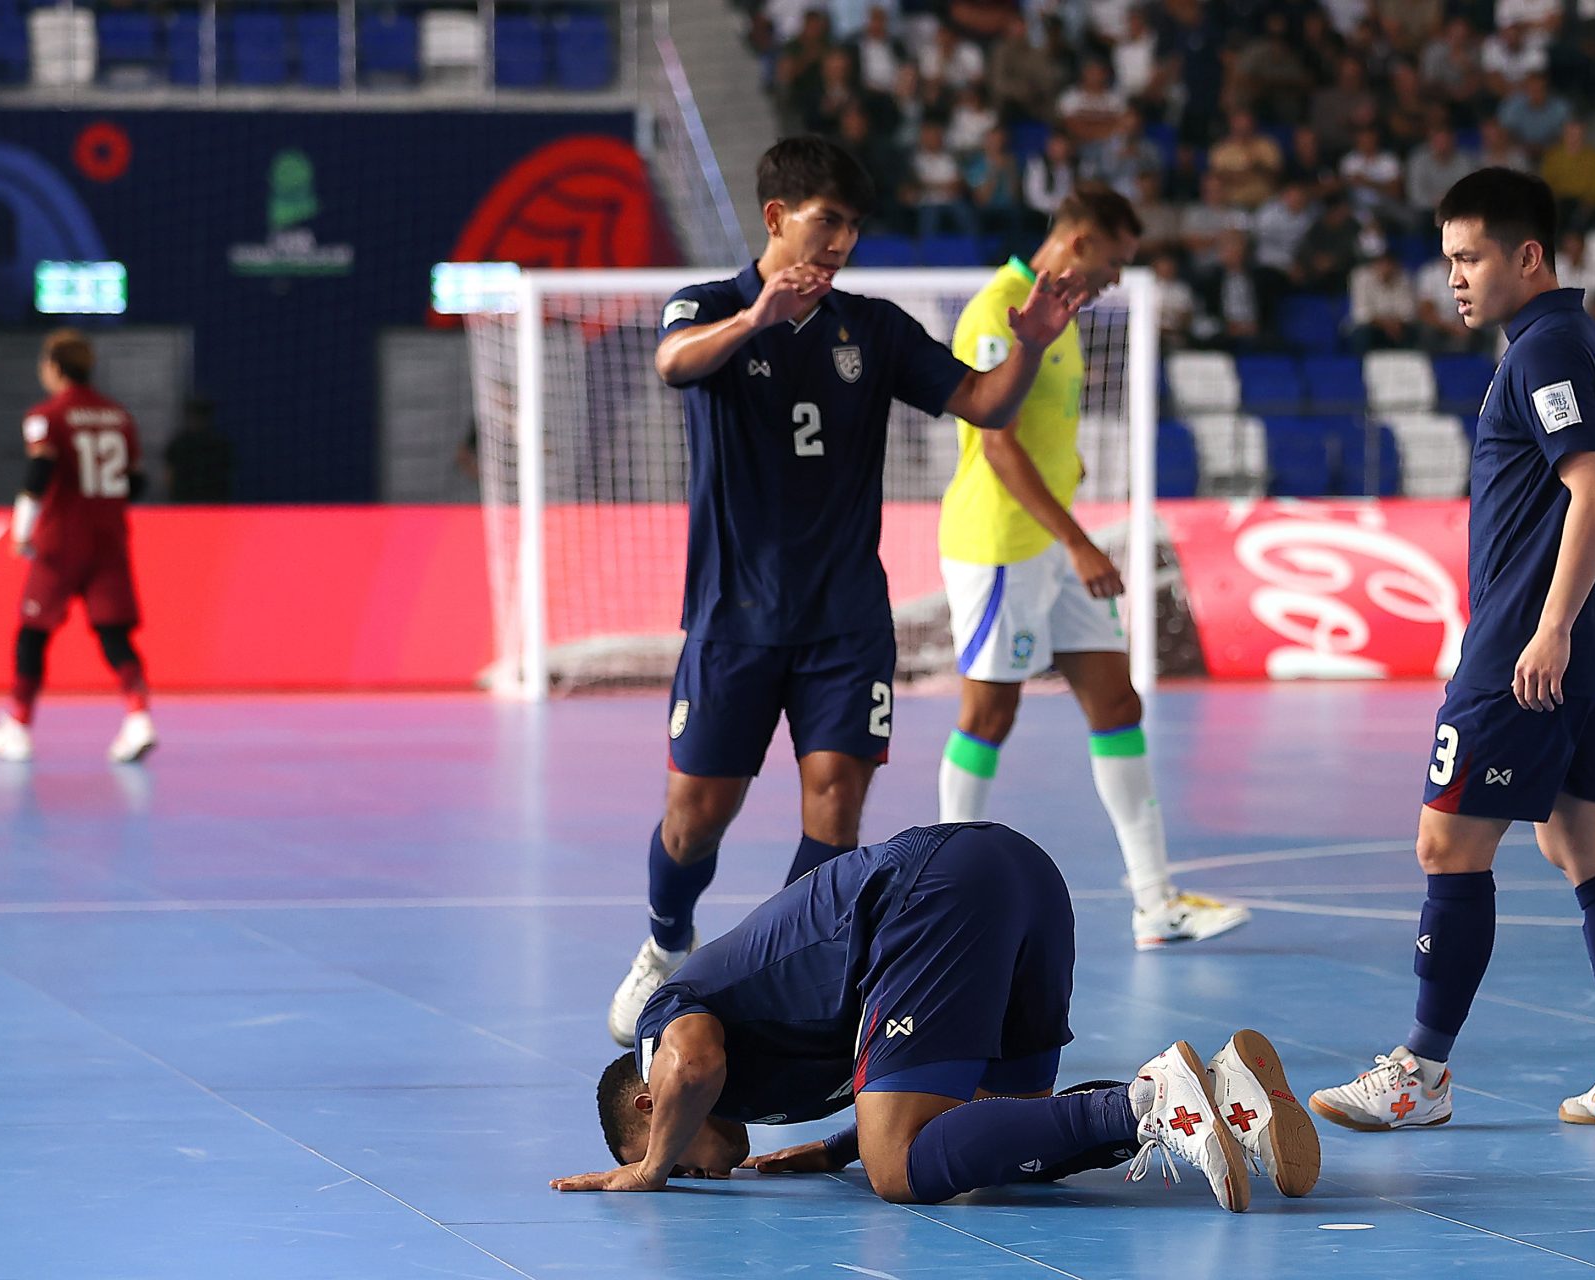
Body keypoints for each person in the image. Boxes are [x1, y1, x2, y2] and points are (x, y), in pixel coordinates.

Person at [605, 138, 1085, 1048]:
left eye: (854, 227)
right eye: (828, 221)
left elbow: (984, 403)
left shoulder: (874, 328)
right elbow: (674, 365)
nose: (841, 242)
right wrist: (756, 319)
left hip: (846, 622)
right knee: (695, 816)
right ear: (778, 217)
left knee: (835, 803)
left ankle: (767, 983)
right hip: (733, 619)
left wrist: (1025, 351)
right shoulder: (706, 306)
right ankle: (668, 945)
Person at [1307, 169, 1595, 1133]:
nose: (1453, 279)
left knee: (1446, 844)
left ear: (1528, 257)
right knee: (1587, 848)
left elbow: (1594, 492)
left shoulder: (1546, 348)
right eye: (1448, 259)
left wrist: (1545, 629)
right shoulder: (1581, 343)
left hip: (1527, 649)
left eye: (1468, 258)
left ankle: (1420, 1075)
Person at [556, 822, 1322, 1209]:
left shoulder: (667, 1025)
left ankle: (1152, 1101)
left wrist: (650, 1170)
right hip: (1018, 876)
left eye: (679, 1153)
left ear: (650, 1104)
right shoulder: (770, 1083)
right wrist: (838, 1148)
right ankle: (1220, 1095)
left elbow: (691, 1063)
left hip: (932, 893)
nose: (701, 1170)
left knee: (900, 1172)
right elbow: (928, 1092)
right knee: (998, 1141)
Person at [935, 185, 1250, 950]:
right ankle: (937, 896)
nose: (1118, 275)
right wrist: (1080, 540)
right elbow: (998, 443)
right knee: (989, 716)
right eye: (1114, 259)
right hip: (1001, 544)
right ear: (1077, 243)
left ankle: (1156, 903)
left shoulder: (1067, 320)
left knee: (1117, 703)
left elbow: (1045, 435)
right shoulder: (997, 309)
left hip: (1058, 541)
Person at [0, 330, 156, 765]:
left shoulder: (47, 414)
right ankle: (139, 718)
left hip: (63, 542)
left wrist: (23, 530)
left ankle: (19, 727)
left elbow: (39, 473)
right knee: (113, 632)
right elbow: (134, 482)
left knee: (32, 634)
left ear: (55, 367)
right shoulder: (119, 415)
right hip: (110, 538)